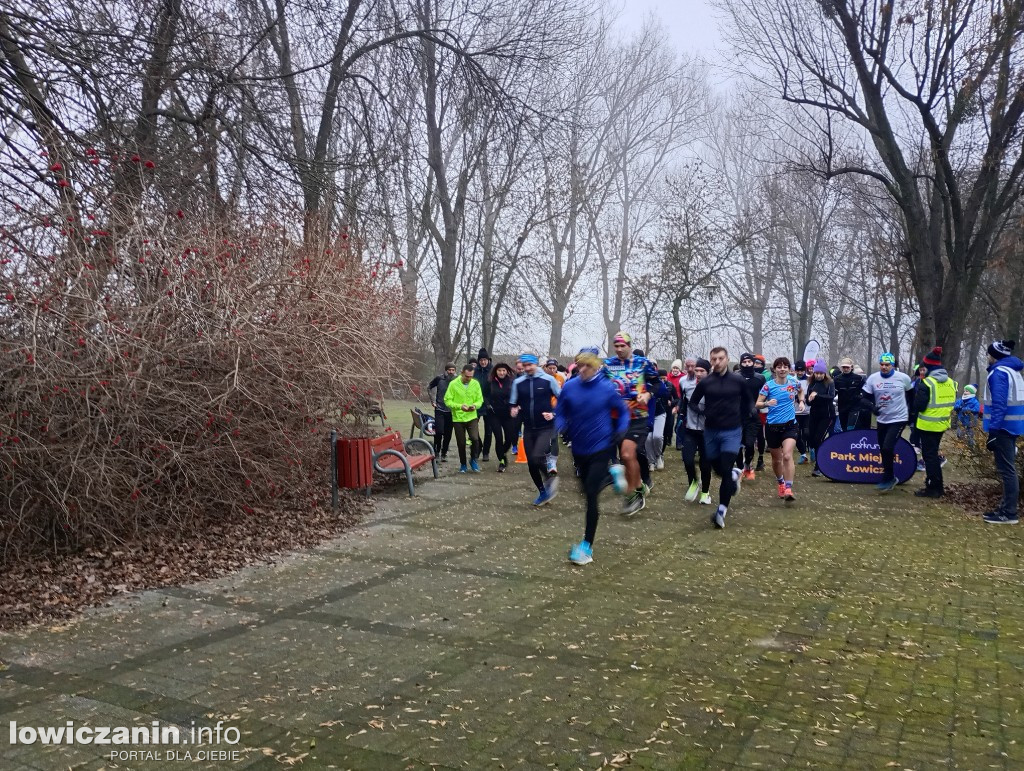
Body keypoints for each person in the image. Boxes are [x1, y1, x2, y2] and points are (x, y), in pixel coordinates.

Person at [557, 350, 630, 565]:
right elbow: (560, 410)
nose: (583, 370)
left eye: (587, 366)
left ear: (596, 367)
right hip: (579, 449)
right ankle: (612, 473)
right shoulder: (570, 387)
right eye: (580, 366)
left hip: (602, 446)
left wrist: (622, 429)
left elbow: (623, 412)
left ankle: (586, 547)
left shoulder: (606, 388)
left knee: (590, 495)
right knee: (584, 490)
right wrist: (560, 425)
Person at [689, 347, 752, 529]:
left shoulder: (738, 381)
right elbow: (693, 401)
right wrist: (701, 411)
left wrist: (751, 412)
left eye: (720, 358)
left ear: (727, 359)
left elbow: (748, 400)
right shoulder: (706, 382)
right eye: (714, 359)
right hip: (711, 431)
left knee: (724, 468)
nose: (717, 362)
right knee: (717, 468)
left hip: (732, 431)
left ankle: (721, 511)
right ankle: (734, 474)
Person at [603, 332, 659, 515]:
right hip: (616, 419)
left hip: (637, 417)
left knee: (627, 455)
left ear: (629, 345)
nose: (619, 349)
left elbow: (657, 383)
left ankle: (633, 496)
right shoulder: (608, 364)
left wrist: (647, 394)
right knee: (626, 458)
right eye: (616, 346)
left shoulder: (642, 363)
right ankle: (639, 485)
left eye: (622, 346)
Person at [510, 354, 562, 506]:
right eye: (524, 366)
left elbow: (563, 399)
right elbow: (513, 402)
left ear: (536, 364)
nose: (526, 368)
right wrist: (513, 409)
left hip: (546, 427)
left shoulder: (548, 380)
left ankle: (550, 478)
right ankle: (543, 491)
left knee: (536, 456)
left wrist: (553, 413)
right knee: (531, 463)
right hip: (529, 428)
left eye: (529, 365)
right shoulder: (518, 383)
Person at [982, 340, 1023, 525]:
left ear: (994, 356)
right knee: (1008, 468)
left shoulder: (998, 373)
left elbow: (999, 403)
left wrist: (994, 431)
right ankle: (1005, 508)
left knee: (1007, 470)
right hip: (1013, 426)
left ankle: (1009, 513)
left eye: (988, 354)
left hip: (1004, 427)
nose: (987, 357)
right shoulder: (1013, 370)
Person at [861, 352, 914, 492]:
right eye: (882, 365)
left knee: (887, 447)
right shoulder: (873, 378)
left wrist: (911, 414)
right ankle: (888, 477)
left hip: (899, 418)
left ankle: (889, 478)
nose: (884, 367)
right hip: (882, 419)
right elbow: (863, 398)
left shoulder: (903, 378)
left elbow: (912, 396)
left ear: (893, 365)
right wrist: (873, 408)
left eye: (887, 365)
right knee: (883, 450)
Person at [911, 347, 958, 498]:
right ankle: (937, 486)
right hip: (942, 424)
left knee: (929, 457)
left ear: (928, 367)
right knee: (932, 455)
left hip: (927, 425)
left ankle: (934, 488)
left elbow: (919, 406)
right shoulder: (951, 382)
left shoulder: (927, 383)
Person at [756, 357, 804, 501]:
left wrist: (801, 401)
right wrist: (766, 403)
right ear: (775, 369)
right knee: (777, 460)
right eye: (779, 367)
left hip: (790, 425)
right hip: (772, 427)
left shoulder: (794, 382)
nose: (782, 369)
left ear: (790, 369)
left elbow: (801, 391)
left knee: (787, 456)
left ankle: (789, 488)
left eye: (785, 367)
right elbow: (757, 403)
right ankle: (781, 482)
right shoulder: (768, 386)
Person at [680, 358, 714, 504]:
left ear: (708, 372)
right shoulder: (685, 383)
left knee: (705, 464)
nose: (698, 373)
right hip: (690, 429)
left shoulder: (715, 387)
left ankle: (705, 493)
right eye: (697, 370)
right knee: (687, 460)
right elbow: (683, 402)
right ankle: (694, 482)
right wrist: (681, 413)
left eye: (702, 371)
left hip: (708, 432)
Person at [444, 363, 484, 473]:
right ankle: (463, 464)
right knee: (461, 442)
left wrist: (475, 406)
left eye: (471, 376)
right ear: (462, 373)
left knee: (475, 439)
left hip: (472, 417)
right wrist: (459, 406)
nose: (469, 378)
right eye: (467, 376)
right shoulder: (453, 384)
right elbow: (447, 400)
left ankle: (473, 460)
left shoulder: (475, 384)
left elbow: (480, 400)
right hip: (458, 418)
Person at [736, 352, 767, 479]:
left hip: (753, 416)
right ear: (741, 363)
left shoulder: (760, 378)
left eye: (749, 362)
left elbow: (765, 395)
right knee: (737, 445)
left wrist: (761, 406)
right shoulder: (735, 377)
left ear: (753, 363)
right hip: (736, 416)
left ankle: (748, 463)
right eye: (744, 362)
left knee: (749, 444)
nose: (747, 364)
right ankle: (739, 468)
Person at [806, 360, 836, 477]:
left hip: (827, 415)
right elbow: (809, 402)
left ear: (824, 374)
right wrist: (807, 399)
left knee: (819, 439)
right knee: (811, 439)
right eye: (816, 373)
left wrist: (817, 396)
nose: (818, 375)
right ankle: (822, 457)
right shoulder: (811, 383)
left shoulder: (829, 383)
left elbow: (830, 397)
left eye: (821, 373)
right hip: (814, 415)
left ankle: (818, 467)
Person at [489, 362, 516, 471]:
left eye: (504, 370)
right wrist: (487, 405)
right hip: (494, 414)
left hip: (507, 414)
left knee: (510, 438)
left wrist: (515, 406)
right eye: (499, 370)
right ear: (496, 371)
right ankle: (502, 460)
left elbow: (516, 395)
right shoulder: (490, 382)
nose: (501, 372)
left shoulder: (511, 382)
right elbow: (484, 395)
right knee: (498, 438)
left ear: (507, 371)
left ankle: (502, 451)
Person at [428, 363, 457, 461]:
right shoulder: (439, 379)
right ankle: (436, 451)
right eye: (449, 370)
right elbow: (429, 387)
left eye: (453, 370)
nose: (451, 372)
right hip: (439, 409)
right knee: (439, 432)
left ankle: (444, 453)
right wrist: (433, 401)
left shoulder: (457, 380)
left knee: (448, 434)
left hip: (451, 410)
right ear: (446, 370)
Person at [645, 369, 674, 471]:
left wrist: (657, 382)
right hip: (646, 414)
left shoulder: (658, 382)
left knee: (657, 436)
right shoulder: (641, 382)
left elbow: (666, 394)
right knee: (648, 438)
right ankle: (651, 461)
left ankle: (659, 456)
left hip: (660, 413)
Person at [543, 358, 566, 473]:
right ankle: (547, 457)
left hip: (556, 409)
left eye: (554, 368)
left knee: (553, 436)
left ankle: (553, 462)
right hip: (543, 409)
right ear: (546, 368)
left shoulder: (561, 378)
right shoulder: (542, 378)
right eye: (550, 368)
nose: (552, 370)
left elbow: (564, 394)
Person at [834, 357, 866, 431]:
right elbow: (833, 393)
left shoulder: (858, 378)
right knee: (844, 430)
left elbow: (864, 391)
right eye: (844, 367)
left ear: (851, 367)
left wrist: (860, 397)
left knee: (850, 428)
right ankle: (846, 442)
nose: (845, 369)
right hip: (842, 408)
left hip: (854, 408)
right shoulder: (837, 379)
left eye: (847, 367)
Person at [473, 349, 494, 461]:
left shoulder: (493, 371)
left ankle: (486, 452)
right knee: (473, 428)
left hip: (489, 403)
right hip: (476, 403)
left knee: (488, 430)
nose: (483, 362)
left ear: (488, 360)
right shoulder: (474, 371)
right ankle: (478, 446)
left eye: (485, 360)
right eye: (481, 360)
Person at [794, 360, 812, 464]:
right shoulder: (792, 379)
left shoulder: (809, 380)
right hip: (795, 412)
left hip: (807, 412)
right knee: (796, 435)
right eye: (798, 370)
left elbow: (812, 392)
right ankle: (803, 454)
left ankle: (812, 448)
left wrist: (805, 398)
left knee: (807, 432)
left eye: (802, 370)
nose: (800, 373)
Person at [752, 355, 769, 470]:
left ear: (762, 364)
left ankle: (760, 459)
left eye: (758, 363)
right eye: (755, 363)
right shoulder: (749, 374)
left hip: (762, 408)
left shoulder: (766, 376)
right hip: (749, 407)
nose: (756, 365)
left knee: (760, 434)